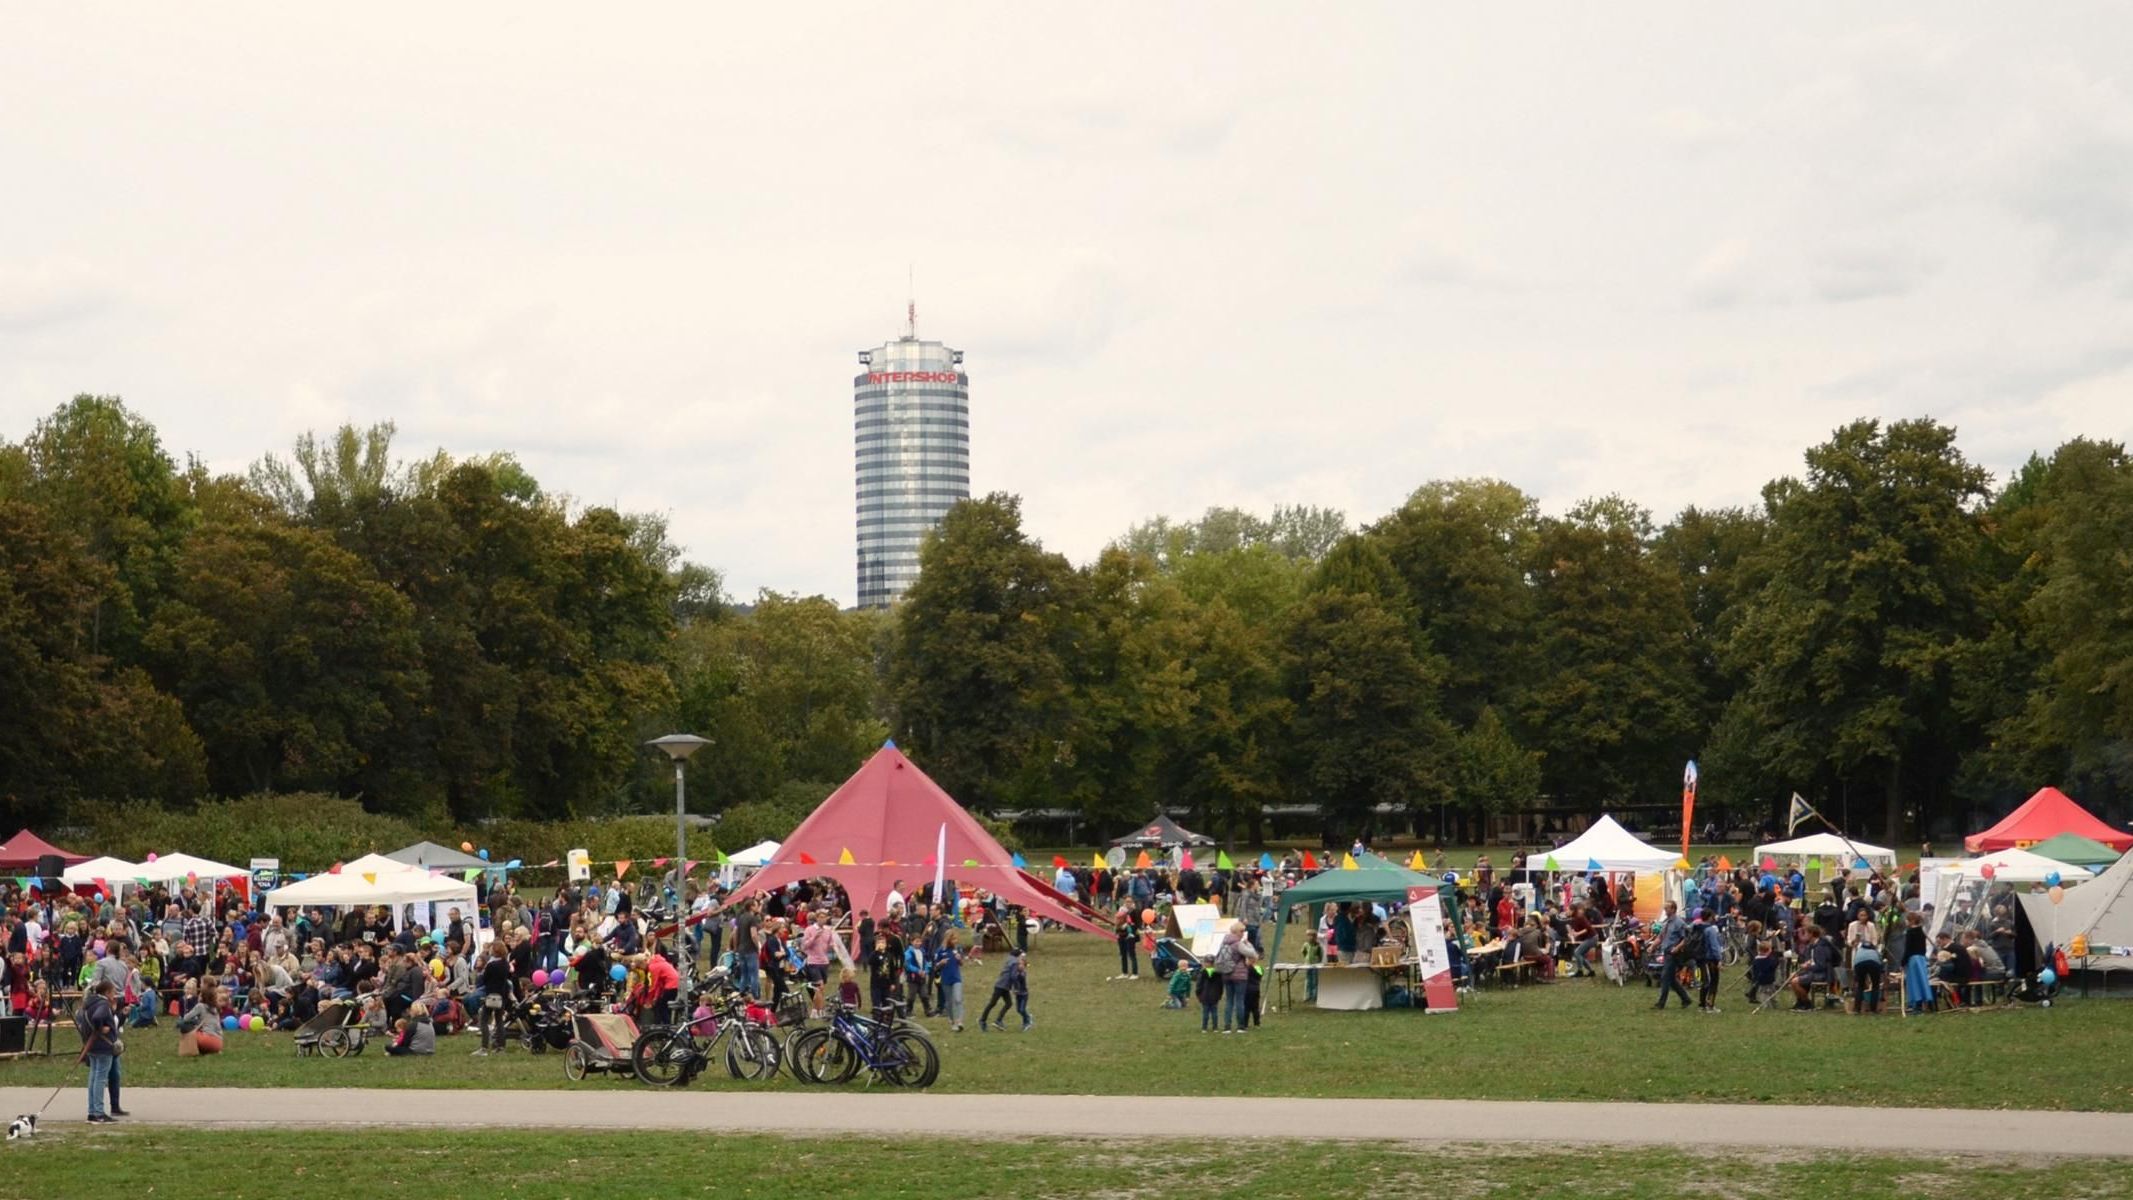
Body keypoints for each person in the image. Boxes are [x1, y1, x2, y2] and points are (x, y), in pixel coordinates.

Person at [79, 979, 125, 1123]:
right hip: (103, 1046)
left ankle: (92, 1111)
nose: (115, 995)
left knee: (93, 1077)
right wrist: (100, 1028)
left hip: (92, 1045)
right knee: (100, 1079)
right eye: (113, 992)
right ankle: (99, 1112)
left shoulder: (88, 1003)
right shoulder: (103, 1004)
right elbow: (98, 1017)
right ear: (106, 992)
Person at [474, 940, 514, 1056]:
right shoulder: (505, 964)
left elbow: (484, 979)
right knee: (499, 1021)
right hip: (502, 996)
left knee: (484, 1020)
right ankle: (500, 1047)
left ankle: (484, 1047)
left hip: (491, 995)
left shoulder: (491, 965)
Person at [1217, 925, 1259, 1033]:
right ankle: (1240, 1026)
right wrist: (1248, 944)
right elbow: (1253, 954)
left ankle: (1227, 1026)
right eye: (1242, 931)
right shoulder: (1238, 944)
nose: (1243, 933)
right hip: (1239, 975)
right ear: (1237, 932)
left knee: (1229, 1001)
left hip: (1226, 974)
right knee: (1240, 1001)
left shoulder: (1224, 943)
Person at [1653, 902, 1692, 1011]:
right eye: (1664, 908)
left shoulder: (1679, 923)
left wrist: (1677, 948)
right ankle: (1686, 999)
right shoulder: (1666, 923)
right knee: (1671, 979)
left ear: (1673, 909)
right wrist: (1652, 946)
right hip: (1666, 952)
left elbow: (1686, 939)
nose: (1665, 910)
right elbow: (1660, 937)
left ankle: (1661, 1003)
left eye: (1667, 908)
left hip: (1673, 954)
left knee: (1665, 977)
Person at [1789, 925, 1835, 1011]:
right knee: (1792, 977)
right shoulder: (1811, 946)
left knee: (1795, 982)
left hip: (1820, 974)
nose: (1804, 935)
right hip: (1811, 971)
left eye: (1806, 933)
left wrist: (1808, 966)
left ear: (1812, 934)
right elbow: (1810, 960)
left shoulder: (1820, 947)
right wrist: (1806, 965)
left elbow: (1821, 966)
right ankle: (1800, 1002)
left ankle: (1807, 1003)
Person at [1848, 909, 1885, 1015]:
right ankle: (1858, 1007)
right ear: (1857, 915)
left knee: (1873, 983)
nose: (1863, 917)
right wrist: (1854, 941)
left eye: (1865, 915)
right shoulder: (1852, 925)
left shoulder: (1871, 926)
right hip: (1858, 953)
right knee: (1860, 983)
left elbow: (1875, 940)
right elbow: (1849, 940)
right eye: (1861, 915)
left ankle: (1870, 1007)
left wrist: (1870, 945)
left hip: (1870, 951)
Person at [178, 985, 226, 1054]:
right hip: (219, 1043)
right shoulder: (216, 1007)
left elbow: (186, 1018)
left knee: (183, 1026)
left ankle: (190, 1049)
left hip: (206, 1040)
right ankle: (205, 1050)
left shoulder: (200, 1006)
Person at [936, 929, 966, 1032]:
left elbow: (962, 963)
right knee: (949, 1002)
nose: (955, 941)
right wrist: (941, 963)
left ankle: (960, 1021)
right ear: (948, 939)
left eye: (956, 939)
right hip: (945, 979)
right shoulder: (941, 950)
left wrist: (959, 959)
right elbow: (935, 966)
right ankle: (952, 1020)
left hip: (956, 978)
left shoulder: (958, 948)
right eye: (953, 939)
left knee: (958, 999)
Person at [1695, 909, 1723, 1013]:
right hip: (1711, 959)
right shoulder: (1710, 930)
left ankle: (1702, 1004)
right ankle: (1710, 1005)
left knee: (1704, 981)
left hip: (1700, 958)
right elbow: (1714, 946)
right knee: (1713, 982)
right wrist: (1719, 959)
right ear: (1710, 917)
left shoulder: (1697, 927)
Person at [1113, 906, 1140, 981]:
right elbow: (1116, 930)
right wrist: (1118, 934)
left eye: (1120, 917)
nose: (1118, 919)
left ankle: (1135, 973)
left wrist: (1129, 931)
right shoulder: (1118, 924)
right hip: (1121, 939)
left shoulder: (1130, 924)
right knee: (1123, 955)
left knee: (1132, 955)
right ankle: (1124, 973)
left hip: (1129, 939)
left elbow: (1134, 930)